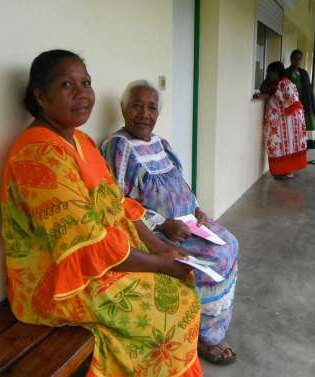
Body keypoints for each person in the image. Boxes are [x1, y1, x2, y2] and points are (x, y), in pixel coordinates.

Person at [1, 50, 203, 377]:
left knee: (182, 286)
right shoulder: (37, 155)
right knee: (170, 308)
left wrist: (158, 247)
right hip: (56, 281)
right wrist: (158, 264)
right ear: (40, 96)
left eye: (87, 83)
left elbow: (120, 204)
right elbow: (83, 243)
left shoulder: (81, 141)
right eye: (68, 85)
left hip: (105, 261)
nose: (83, 94)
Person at [101, 80, 239, 365]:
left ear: (158, 114)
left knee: (231, 243)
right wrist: (164, 225)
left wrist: (198, 209)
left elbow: (180, 183)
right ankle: (204, 336)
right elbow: (118, 204)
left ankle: (211, 321)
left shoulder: (161, 143)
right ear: (123, 109)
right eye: (136, 106)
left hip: (189, 224)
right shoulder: (119, 147)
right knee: (216, 257)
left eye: (151, 107)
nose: (144, 114)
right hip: (158, 234)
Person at [259, 61, 307, 178]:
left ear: (276, 72)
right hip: (282, 122)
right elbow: (263, 88)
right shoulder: (276, 84)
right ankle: (284, 171)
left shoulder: (284, 84)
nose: (268, 75)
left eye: (270, 72)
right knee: (281, 148)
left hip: (287, 122)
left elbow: (293, 103)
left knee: (284, 147)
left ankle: (285, 171)